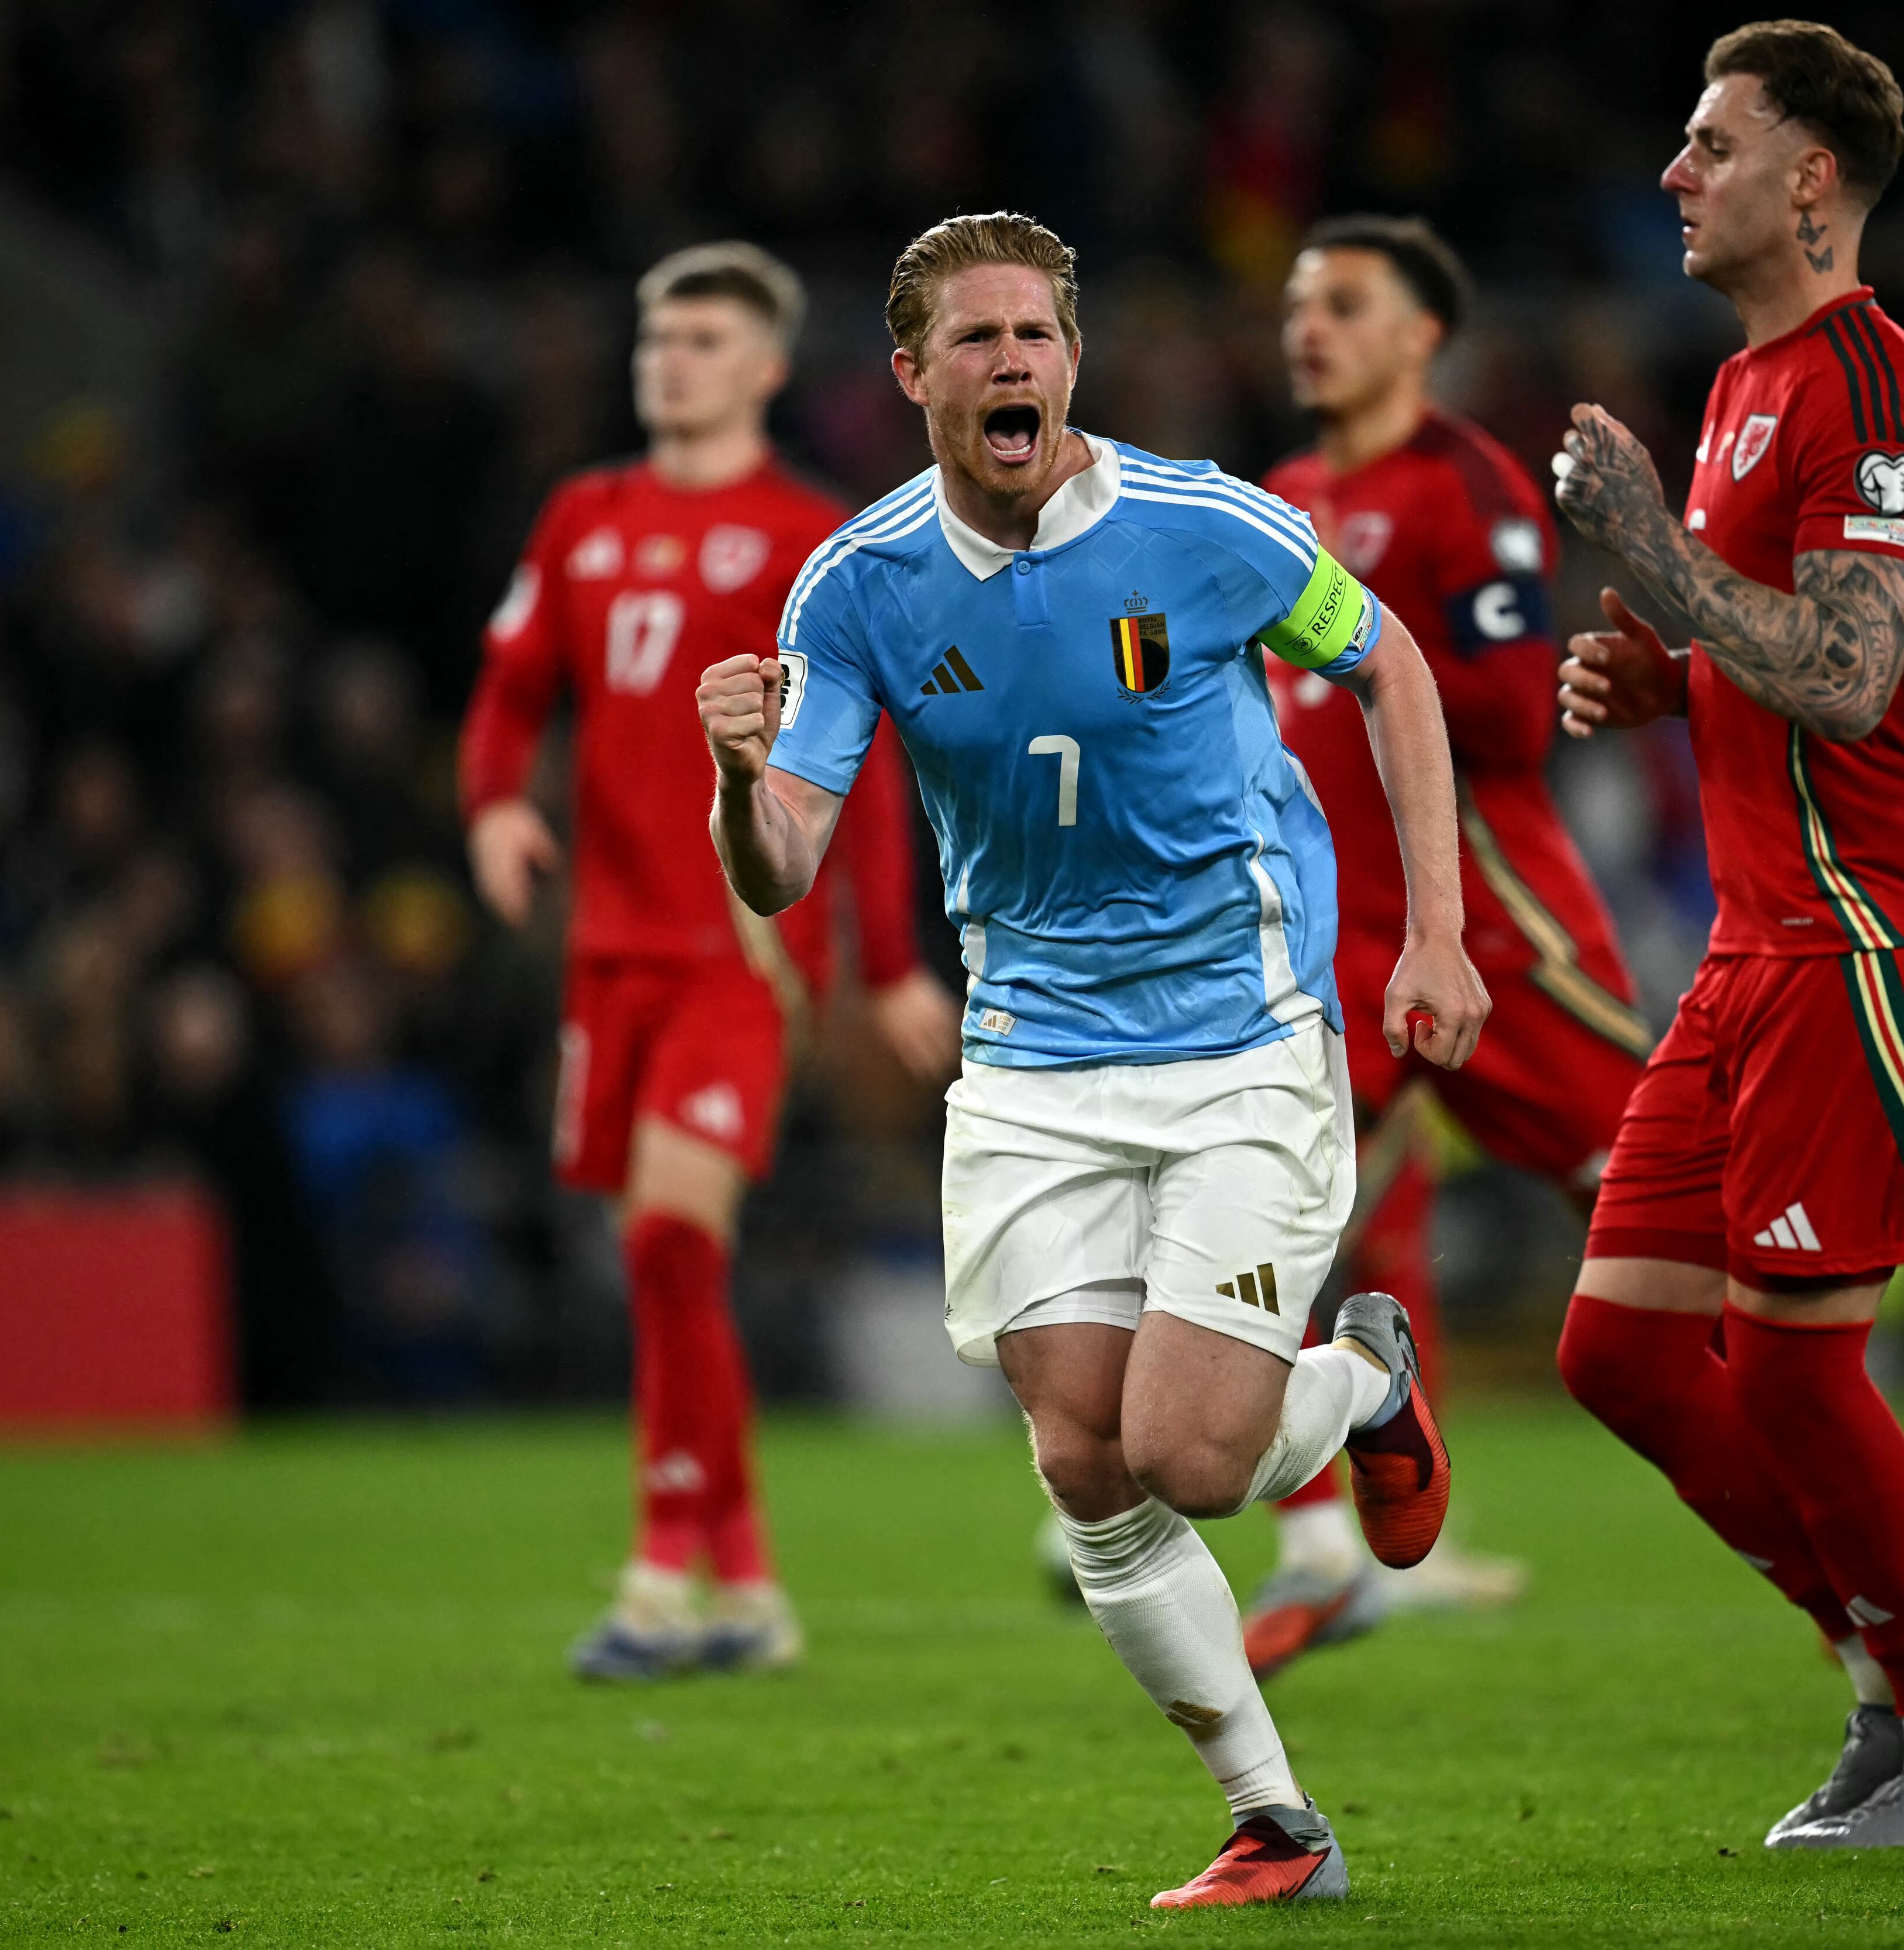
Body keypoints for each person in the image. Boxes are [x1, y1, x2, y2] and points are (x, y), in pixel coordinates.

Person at [699, 212, 1489, 1909]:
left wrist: (1438, 928)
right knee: (1084, 1461)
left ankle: (1360, 1382)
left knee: (1197, 1453)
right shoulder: (859, 585)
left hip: (1242, 1036)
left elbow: (1392, 664)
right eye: (975, 340)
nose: (1013, 365)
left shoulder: (1203, 525)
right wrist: (734, 777)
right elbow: (787, 857)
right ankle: (1276, 1816)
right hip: (1035, 1062)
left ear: (1073, 361)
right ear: (911, 375)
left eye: (1037, 336)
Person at [1545, 22, 1904, 1849]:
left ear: (1809, 178)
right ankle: (1896, 1688)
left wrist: (1659, 558)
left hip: (1876, 938)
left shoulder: (1874, 394)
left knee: (1804, 1364)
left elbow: (1853, 675)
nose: (1675, 172)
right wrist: (1664, 675)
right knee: (1619, 1349)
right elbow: (1781, 656)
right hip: (1760, 947)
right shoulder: (1748, 382)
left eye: (1710, 142)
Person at [459, 242, 958, 1682]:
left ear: (761, 367)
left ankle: (659, 1573)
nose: (666, 357)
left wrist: (879, 965)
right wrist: (496, 804)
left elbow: (859, 761)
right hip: (606, 959)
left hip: (746, 950)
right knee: (659, 1262)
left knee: (675, 1236)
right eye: (656, 333)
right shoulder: (583, 517)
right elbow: (509, 690)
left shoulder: (812, 536)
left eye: (699, 337)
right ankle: (747, 1581)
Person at [1239, 214, 1652, 1677]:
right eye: (1299, 303)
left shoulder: (1462, 484)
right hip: (1319, 937)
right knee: (1245, 1234)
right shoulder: (1278, 495)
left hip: (1483, 917)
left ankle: (1820, 1490)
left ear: (1421, 333)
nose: (1310, 327)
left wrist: (1370, 654)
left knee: (1659, 1203)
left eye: (1343, 302)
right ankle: (1319, 1556)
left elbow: (1510, 701)